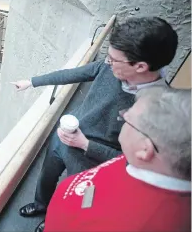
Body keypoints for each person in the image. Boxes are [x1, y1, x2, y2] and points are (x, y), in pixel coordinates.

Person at [11, 17, 178, 232]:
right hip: (65, 137)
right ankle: (41, 204)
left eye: (112, 59)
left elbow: (131, 163)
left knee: (75, 200)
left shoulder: (160, 110)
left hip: (93, 163)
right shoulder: (111, 67)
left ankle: (52, 220)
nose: (107, 62)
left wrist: (85, 145)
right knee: (47, 176)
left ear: (140, 66)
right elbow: (73, 74)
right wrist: (32, 82)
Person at [44, 86, 191, 232]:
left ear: (145, 149)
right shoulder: (142, 161)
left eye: (127, 118)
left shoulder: (134, 224)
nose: (122, 116)